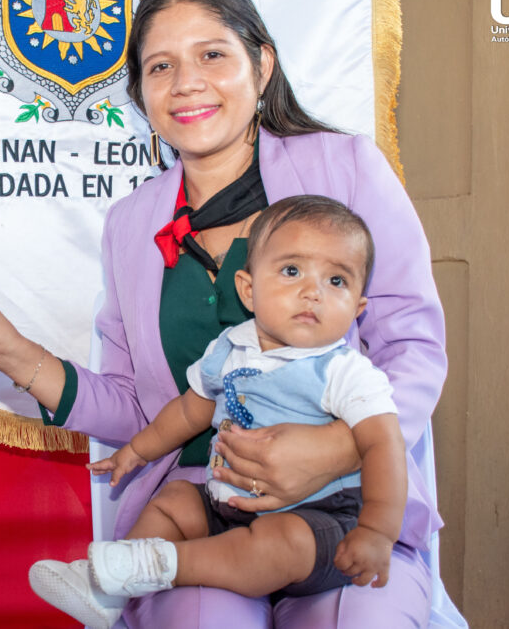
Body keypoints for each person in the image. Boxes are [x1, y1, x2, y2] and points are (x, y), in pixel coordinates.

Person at [0, 0, 446, 628]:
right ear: (141, 94)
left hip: (346, 497)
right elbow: (136, 408)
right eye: (162, 66)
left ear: (261, 65)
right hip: (201, 506)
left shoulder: (345, 168)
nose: (188, 83)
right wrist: (14, 354)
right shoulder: (131, 223)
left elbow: (413, 347)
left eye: (212, 55)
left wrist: (338, 448)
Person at [28, 196, 407, 629]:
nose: (312, 291)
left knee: (276, 545)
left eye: (337, 280)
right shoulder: (230, 346)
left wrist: (376, 531)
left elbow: (384, 446)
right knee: (173, 502)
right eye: (291, 271)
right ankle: (106, 592)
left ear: (358, 307)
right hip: (227, 506)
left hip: (318, 520)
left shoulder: (344, 371)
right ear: (248, 289)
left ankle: (160, 565)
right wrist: (136, 450)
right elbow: (190, 412)